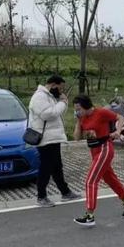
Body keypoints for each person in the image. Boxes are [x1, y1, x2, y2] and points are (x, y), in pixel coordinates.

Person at [72, 94, 124, 227]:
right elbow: (76, 138)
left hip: (104, 149)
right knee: (109, 178)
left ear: (86, 106)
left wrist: (118, 131)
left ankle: (89, 216)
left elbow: (120, 117)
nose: (77, 111)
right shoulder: (82, 118)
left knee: (91, 181)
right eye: (75, 109)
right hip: (94, 151)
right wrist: (78, 121)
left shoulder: (101, 112)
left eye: (79, 109)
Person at [29, 75, 80, 207]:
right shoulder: (39, 96)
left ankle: (65, 192)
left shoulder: (49, 96)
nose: (61, 91)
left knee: (57, 166)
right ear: (53, 85)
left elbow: (58, 113)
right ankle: (41, 197)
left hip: (52, 137)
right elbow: (48, 114)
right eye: (60, 88)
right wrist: (62, 102)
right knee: (46, 167)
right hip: (45, 139)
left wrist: (63, 102)